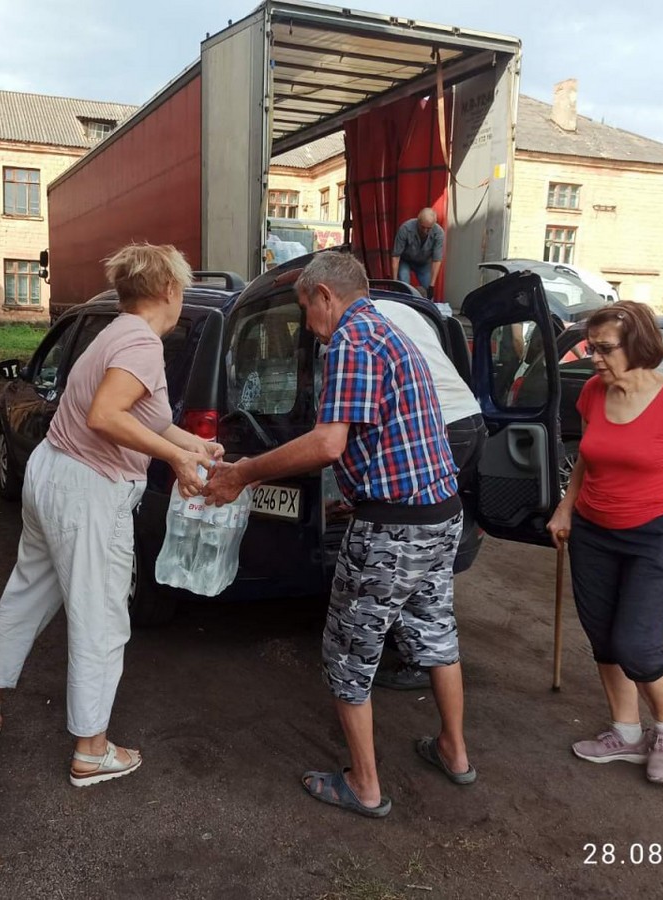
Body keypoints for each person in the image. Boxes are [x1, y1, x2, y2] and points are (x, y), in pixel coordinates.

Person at [205, 252, 472, 818]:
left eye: (306, 310)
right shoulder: (392, 330)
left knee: (348, 654)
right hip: (439, 512)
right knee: (435, 632)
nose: (307, 325)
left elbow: (327, 443)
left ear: (325, 295)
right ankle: (454, 752)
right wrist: (354, 492)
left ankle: (364, 786)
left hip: (393, 529)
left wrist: (245, 472)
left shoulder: (352, 339)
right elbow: (390, 434)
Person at [0, 243, 220, 788]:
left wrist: (198, 448)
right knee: (101, 617)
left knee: (28, 590)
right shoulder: (142, 343)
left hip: (53, 471)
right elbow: (108, 416)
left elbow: (138, 417)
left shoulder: (114, 333)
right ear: (171, 291)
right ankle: (92, 749)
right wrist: (175, 457)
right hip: (89, 490)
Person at [546, 301, 663, 784]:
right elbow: (587, 458)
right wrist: (565, 507)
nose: (594, 358)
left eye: (603, 349)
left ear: (638, 345)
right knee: (603, 638)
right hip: (594, 533)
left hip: (659, 535)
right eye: (591, 347)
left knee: (636, 644)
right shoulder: (593, 395)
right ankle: (624, 733)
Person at [368, 297, 486, 691]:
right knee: (431, 547)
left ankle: (418, 656)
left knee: (407, 541)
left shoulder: (363, 326)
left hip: (441, 425)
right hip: (469, 419)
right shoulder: (406, 310)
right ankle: (429, 649)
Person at [389, 208, 444, 300]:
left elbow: (437, 260)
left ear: (434, 224)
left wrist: (432, 285)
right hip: (405, 260)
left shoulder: (439, 233)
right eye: (423, 227)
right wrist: (395, 281)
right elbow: (396, 256)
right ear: (418, 221)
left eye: (429, 228)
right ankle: (405, 306)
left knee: (428, 291)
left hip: (424, 263)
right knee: (404, 285)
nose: (425, 231)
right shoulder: (405, 228)